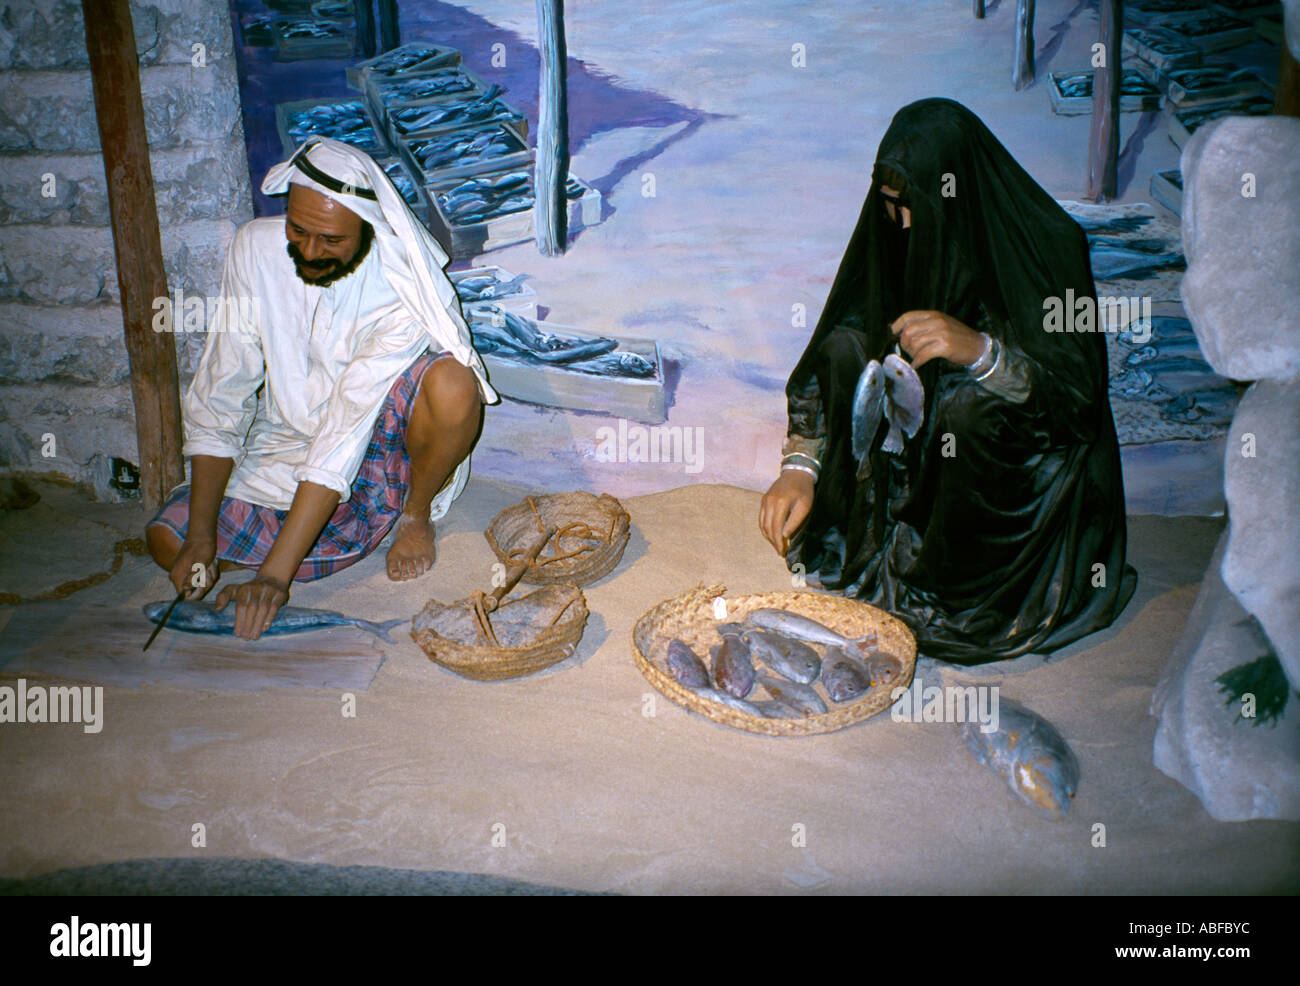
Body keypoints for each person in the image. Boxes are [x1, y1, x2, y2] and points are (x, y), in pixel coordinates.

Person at [759, 98, 1136, 665]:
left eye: (917, 207)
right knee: (847, 350)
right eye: (891, 207)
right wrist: (801, 464)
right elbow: (840, 343)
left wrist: (981, 352)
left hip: (1014, 478)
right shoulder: (895, 233)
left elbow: (1075, 404)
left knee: (966, 407)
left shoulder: (1047, 248)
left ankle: (947, 590)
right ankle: (878, 548)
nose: (903, 225)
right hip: (914, 453)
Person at [145, 138, 498, 640]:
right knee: (168, 539)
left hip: (374, 450)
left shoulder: (399, 288)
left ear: (369, 230)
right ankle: (262, 560)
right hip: (281, 442)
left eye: (332, 241)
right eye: (299, 230)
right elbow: (222, 387)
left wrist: (273, 576)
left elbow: (343, 431)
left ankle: (413, 515)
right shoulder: (254, 249)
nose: (310, 252)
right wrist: (201, 535)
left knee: (453, 385)